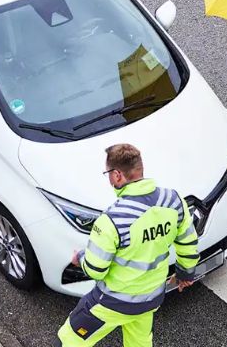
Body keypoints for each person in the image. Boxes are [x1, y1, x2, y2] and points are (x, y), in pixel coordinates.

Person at [57, 144, 199, 347]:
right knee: (139, 344)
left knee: (69, 339)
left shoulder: (112, 220)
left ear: (117, 175)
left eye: (107, 173)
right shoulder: (173, 201)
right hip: (151, 298)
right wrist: (186, 275)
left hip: (112, 301)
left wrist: (80, 258)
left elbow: (96, 269)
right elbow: (188, 242)